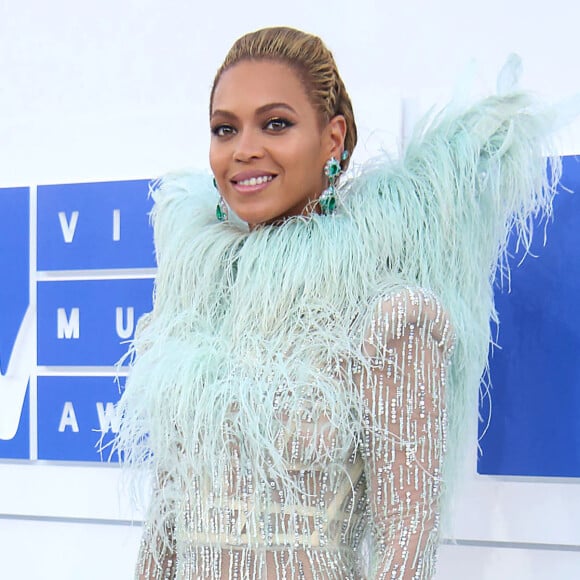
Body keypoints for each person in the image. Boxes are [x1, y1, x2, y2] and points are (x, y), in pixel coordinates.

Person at [116, 27, 561, 579]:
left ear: (333, 138)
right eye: (224, 129)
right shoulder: (191, 313)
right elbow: (164, 530)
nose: (244, 148)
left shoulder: (389, 320)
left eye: (275, 123)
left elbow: (405, 553)